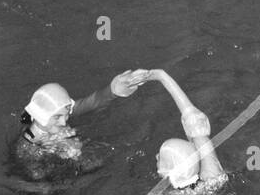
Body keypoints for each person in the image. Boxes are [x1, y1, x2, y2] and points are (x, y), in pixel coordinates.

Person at [13, 69, 154, 182]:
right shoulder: (28, 148)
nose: (64, 121)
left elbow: (91, 103)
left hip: (84, 160)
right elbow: (40, 184)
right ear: (40, 115)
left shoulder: (56, 114)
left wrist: (113, 90)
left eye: (67, 113)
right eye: (57, 117)